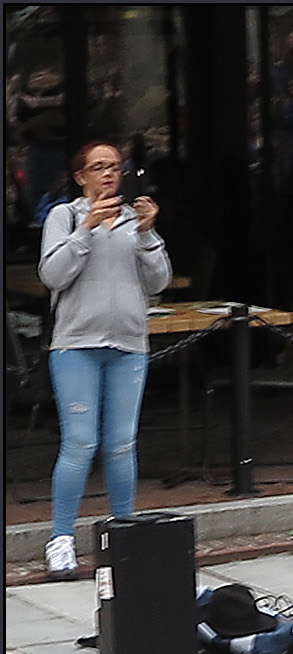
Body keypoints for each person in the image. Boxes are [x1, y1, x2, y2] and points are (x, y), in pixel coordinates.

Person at [37, 140, 172, 579]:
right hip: (76, 344)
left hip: (128, 344)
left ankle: (125, 532)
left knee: (121, 443)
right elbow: (52, 275)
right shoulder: (66, 216)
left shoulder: (135, 220)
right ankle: (60, 538)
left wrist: (149, 233)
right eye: (98, 168)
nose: (109, 175)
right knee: (79, 442)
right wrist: (86, 231)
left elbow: (159, 282)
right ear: (81, 177)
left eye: (115, 167)